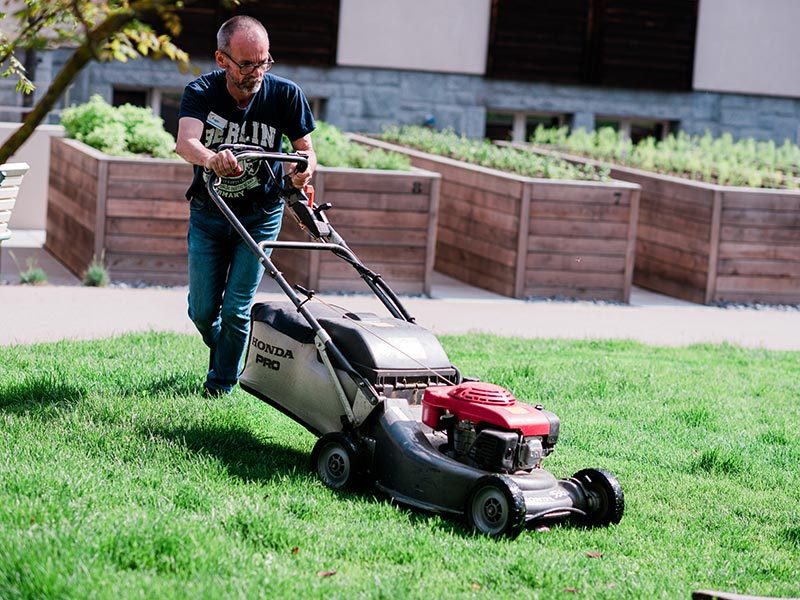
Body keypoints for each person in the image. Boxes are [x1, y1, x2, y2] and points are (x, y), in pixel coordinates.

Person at [175, 15, 317, 397]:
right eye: (247, 63)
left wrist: (301, 171)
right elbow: (186, 142)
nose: (257, 71)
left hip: (259, 216)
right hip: (210, 214)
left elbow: (306, 151)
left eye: (264, 61)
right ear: (222, 59)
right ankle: (224, 348)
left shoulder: (286, 94)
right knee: (203, 312)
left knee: (237, 308)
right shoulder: (201, 91)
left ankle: (220, 387)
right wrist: (210, 158)